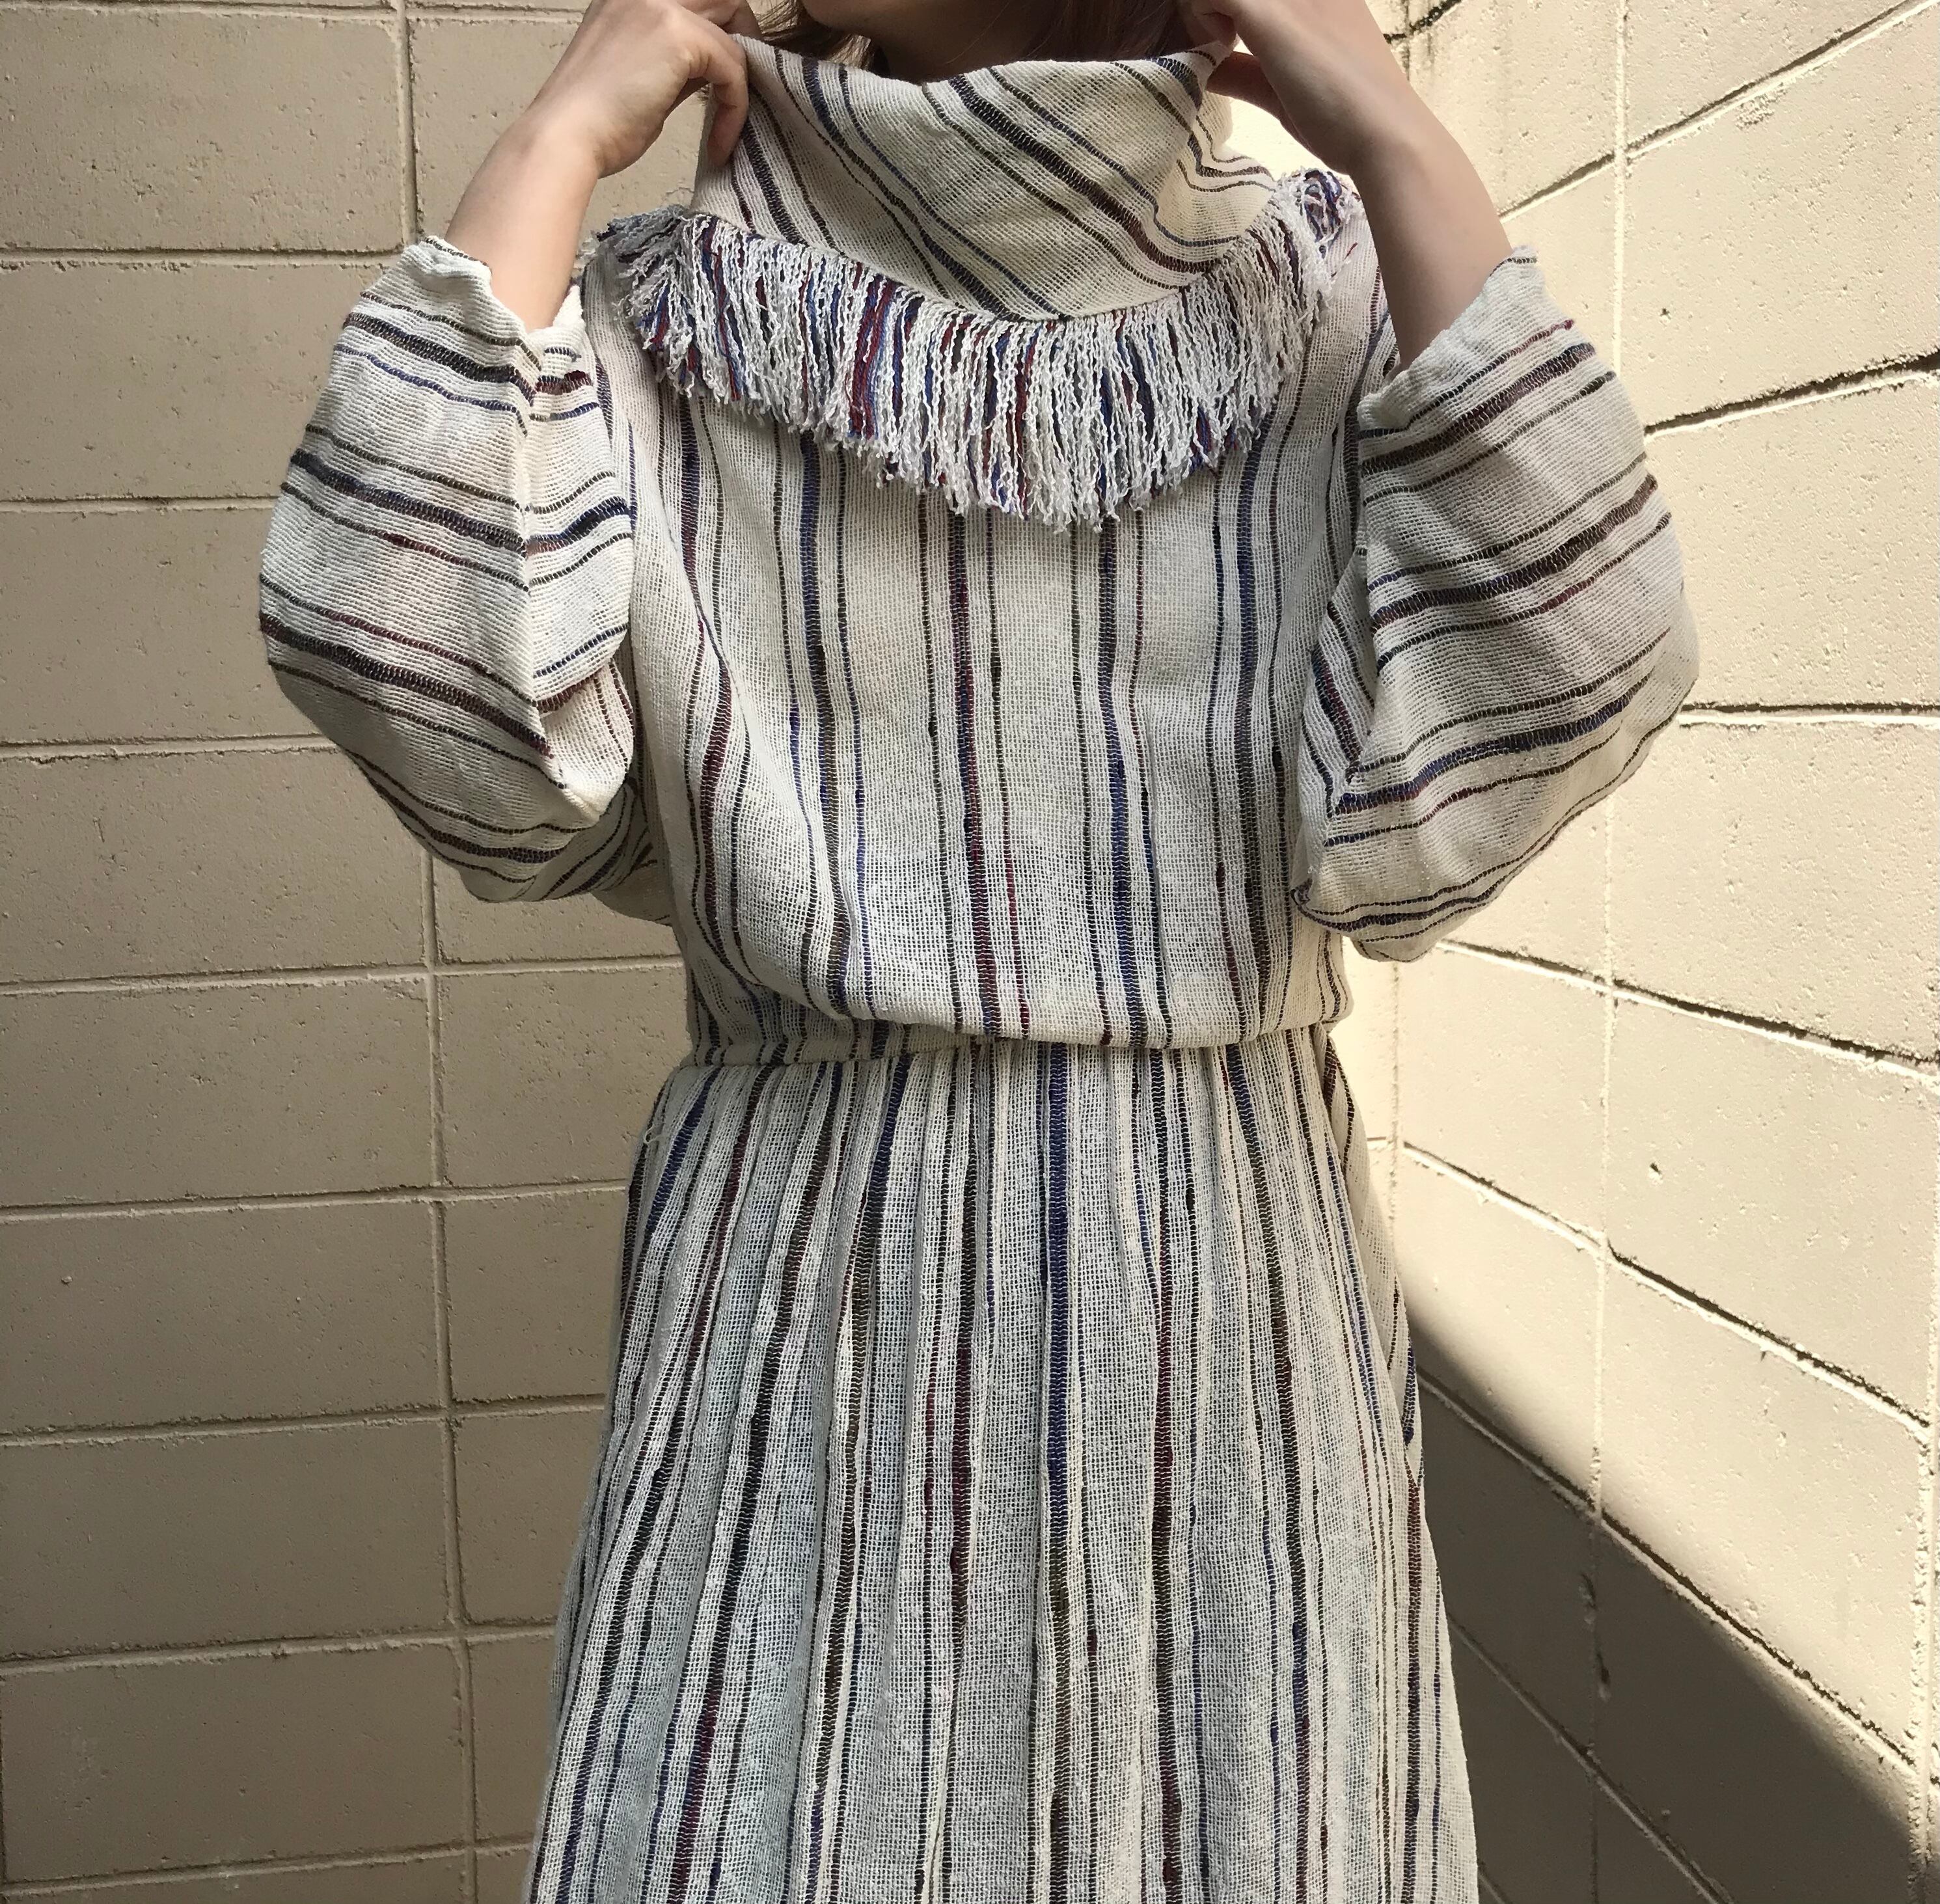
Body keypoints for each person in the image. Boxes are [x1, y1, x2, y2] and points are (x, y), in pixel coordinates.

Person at [258, 0, 1699, 1897]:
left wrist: (1389, 132)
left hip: (1169, 1307)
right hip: (879, 1282)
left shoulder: (1320, 300)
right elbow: (430, 694)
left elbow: (1569, 672)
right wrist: (554, 145)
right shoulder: (660, 321)